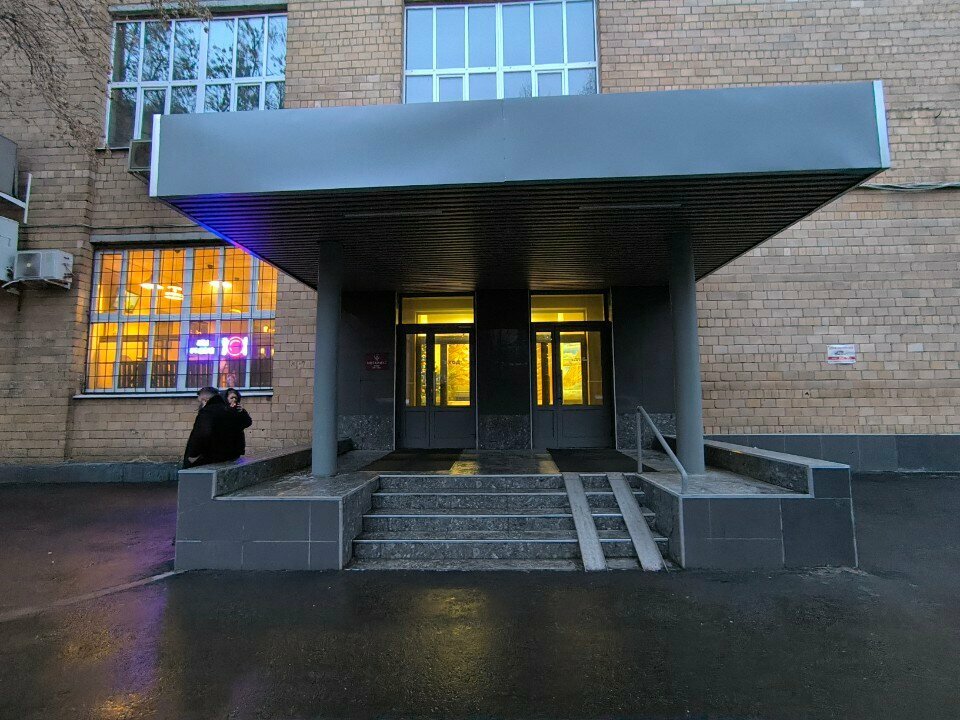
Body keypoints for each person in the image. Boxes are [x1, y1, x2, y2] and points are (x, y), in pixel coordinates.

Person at [182, 386, 249, 469]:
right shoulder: (230, 411)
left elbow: (201, 435)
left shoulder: (207, 412)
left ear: (205, 400)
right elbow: (244, 425)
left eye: (200, 402)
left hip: (207, 459)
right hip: (229, 458)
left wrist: (193, 456)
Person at [223, 387, 253, 457]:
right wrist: (230, 410)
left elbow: (248, 423)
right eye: (232, 398)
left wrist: (243, 412)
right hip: (224, 445)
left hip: (237, 445)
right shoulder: (222, 409)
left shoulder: (239, 410)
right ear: (226, 399)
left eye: (235, 398)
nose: (234, 400)